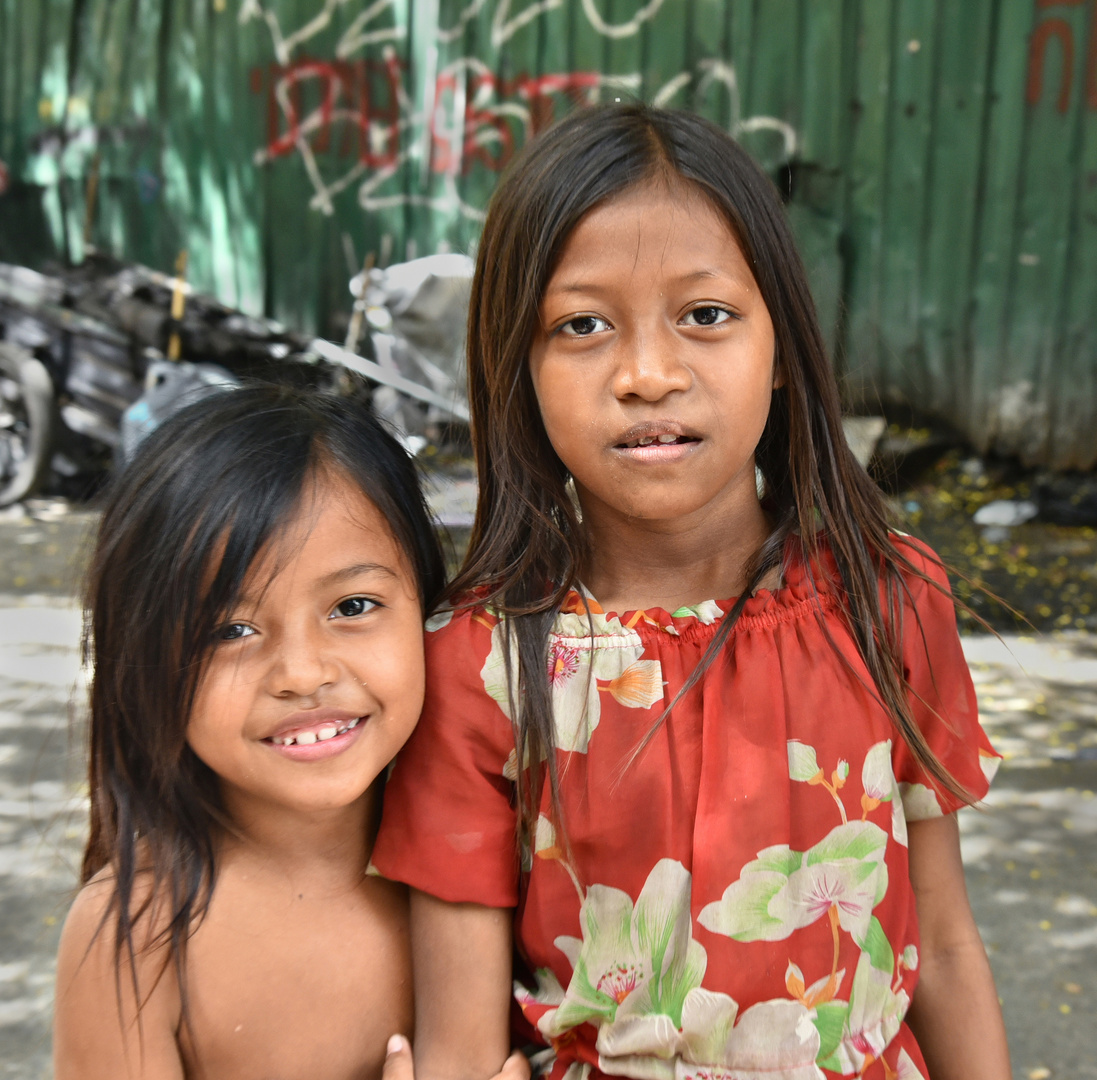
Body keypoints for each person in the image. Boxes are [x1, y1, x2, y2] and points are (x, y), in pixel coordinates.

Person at [370, 103, 1012, 1080]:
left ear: (785, 349)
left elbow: (949, 949)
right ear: (519, 371)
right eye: (581, 324)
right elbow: (458, 1043)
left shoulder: (889, 604)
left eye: (704, 315)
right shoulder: (479, 667)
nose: (646, 373)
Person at [52, 386, 528, 1080]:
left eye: (353, 606)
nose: (302, 673)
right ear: (143, 657)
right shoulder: (135, 939)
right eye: (230, 630)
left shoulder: (519, 849)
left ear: (429, 610)